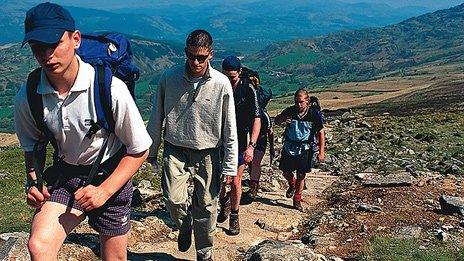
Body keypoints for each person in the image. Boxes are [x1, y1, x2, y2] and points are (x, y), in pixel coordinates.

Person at [14, 3, 152, 261]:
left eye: (53, 43)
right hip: (67, 178)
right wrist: (34, 182)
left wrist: (104, 191)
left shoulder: (108, 88)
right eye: (37, 48)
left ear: (75, 39)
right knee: (39, 246)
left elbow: (140, 149)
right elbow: (31, 144)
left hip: (111, 176)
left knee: (114, 259)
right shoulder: (31, 94)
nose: (46, 54)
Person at [147, 29, 238, 261]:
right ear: (185, 53)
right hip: (175, 146)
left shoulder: (221, 83)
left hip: (208, 150)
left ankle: (204, 251)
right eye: (191, 56)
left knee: (207, 205)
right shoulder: (170, 78)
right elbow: (156, 115)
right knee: (172, 198)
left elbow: (230, 127)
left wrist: (229, 166)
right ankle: (184, 224)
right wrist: (151, 151)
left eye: (201, 57)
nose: (195, 61)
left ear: (211, 55)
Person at [218, 56, 261, 235]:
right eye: (226, 76)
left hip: (241, 140)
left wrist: (251, 146)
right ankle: (224, 202)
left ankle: (234, 216)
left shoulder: (248, 89)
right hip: (218, 139)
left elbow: (256, 118)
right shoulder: (218, 86)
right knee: (219, 179)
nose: (229, 80)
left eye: (232, 77)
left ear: (240, 73)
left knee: (235, 180)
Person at [274, 89, 325, 211]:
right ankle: (292, 184)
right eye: (296, 102)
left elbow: (321, 132)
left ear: (307, 101)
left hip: (305, 147)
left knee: (301, 174)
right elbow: (276, 121)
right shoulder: (290, 111)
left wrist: (321, 152)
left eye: (301, 102)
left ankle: (297, 199)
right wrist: (283, 119)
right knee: (286, 171)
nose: (298, 105)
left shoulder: (314, 114)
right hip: (289, 146)